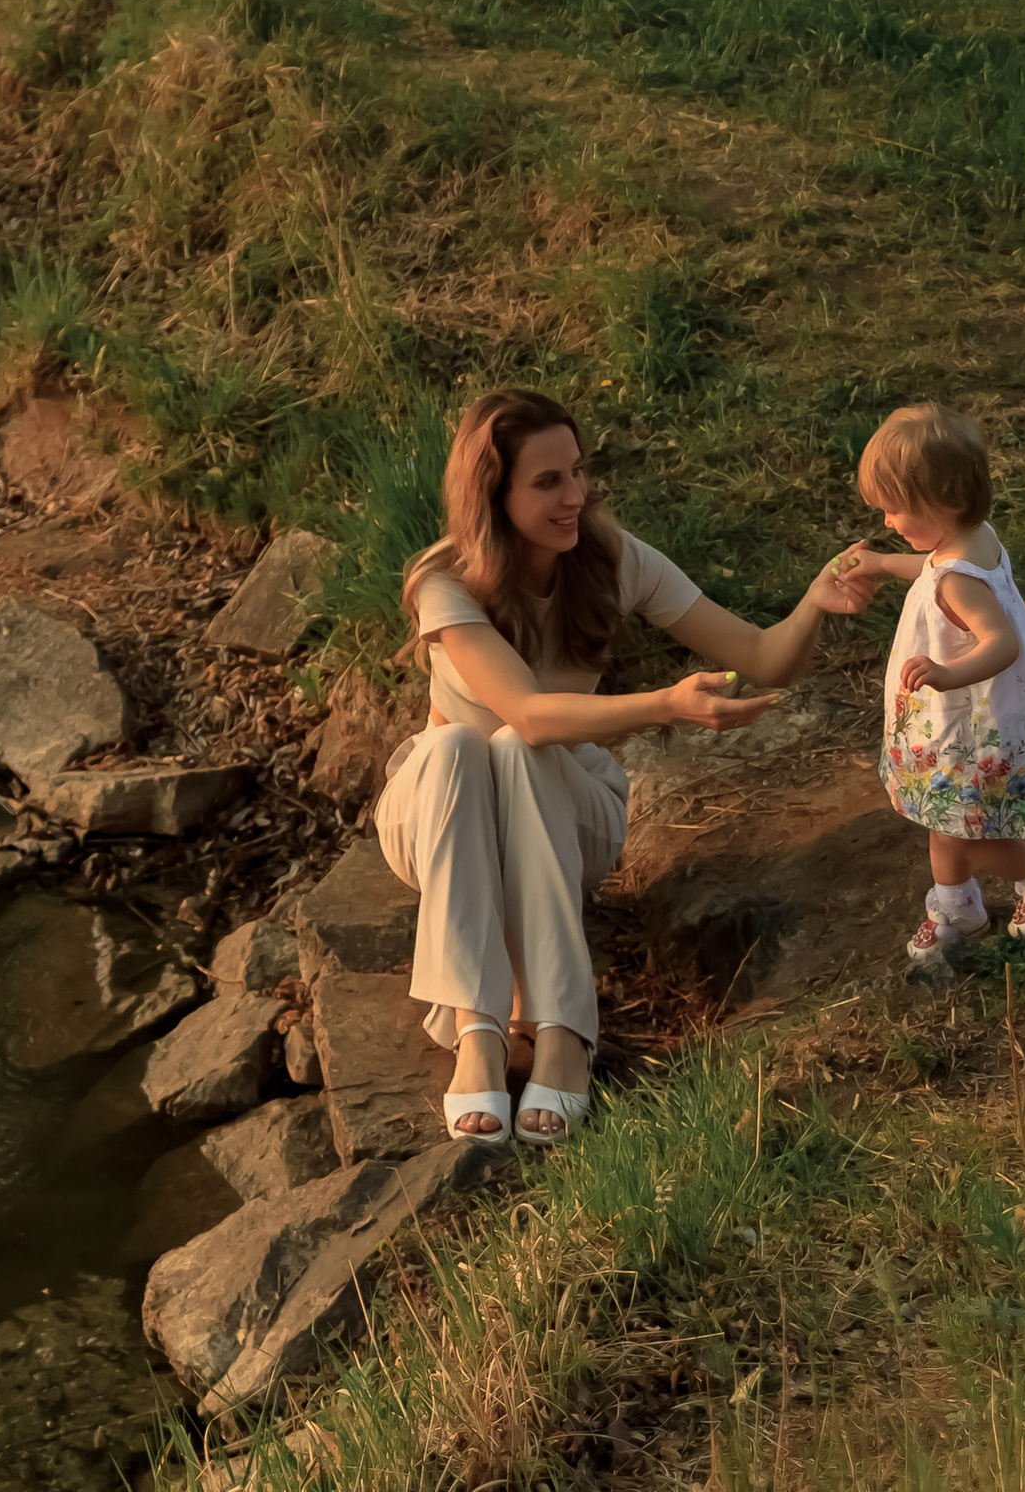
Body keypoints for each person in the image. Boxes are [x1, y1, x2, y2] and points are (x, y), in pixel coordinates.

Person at [375, 385, 879, 1149]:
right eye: (547, 482)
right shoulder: (443, 585)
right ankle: (479, 1031)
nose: (574, 496)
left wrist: (812, 603)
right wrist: (667, 704)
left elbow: (763, 656)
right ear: (491, 493)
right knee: (464, 743)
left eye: (578, 472)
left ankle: (563, 1035)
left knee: (519, 752)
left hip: (567, 812)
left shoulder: (611, 558)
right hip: (441, 821)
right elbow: (532, 709)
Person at [837, 400, 1025, 965]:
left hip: (966, 725)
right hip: (959, 723)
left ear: (944, 502)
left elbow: (1001, 641)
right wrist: (880, 563)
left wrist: (948, 673)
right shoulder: (972, 540)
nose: (886, 523)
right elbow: (932, 569)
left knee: (964, 828)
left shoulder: (958, 582)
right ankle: (955, 904)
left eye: (894, 511)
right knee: (941, 815)